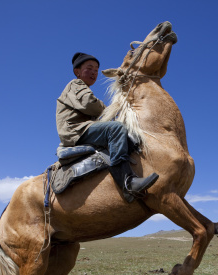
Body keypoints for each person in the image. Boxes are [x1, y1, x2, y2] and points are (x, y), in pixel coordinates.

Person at [56, 52, 159, 203]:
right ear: (77, 72)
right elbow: (89, 104)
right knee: (116, 128)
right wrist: (112, 109)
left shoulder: (82, 88)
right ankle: (127, 182)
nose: (94, 72)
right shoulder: (75, 84)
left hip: (84, 128)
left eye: (96, 70)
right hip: (76, 131)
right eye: (89, 68)